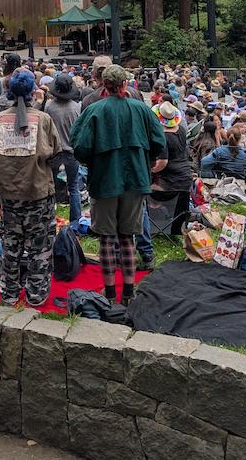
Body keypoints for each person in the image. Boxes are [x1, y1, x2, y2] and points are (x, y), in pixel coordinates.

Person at [72, 65, 167, 307]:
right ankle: (129, 290)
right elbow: (159, 141)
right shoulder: (142, 109)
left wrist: (91, 160)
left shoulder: (94, 110)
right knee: (127, 238)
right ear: (125, 84)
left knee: (106, 238)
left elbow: (80, 146)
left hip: (104, 181)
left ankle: (110, 292)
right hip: (136, 179)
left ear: (103, 84)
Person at [0, 70, 61, 308]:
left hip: (8, 194)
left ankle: (9, 292)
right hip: (38, 192)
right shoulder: (43, 119)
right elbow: (55, 151)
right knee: (39, 245)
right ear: (32, 93)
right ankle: (36, 293)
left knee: (11, 244)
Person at [44, 73, 82, 224]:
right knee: (73, 187)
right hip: (72, 151)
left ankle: (49, 218)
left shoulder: (49, 107)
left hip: (54, 152)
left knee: (50, 186)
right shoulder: (76, 107)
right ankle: (76, 221)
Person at [150, 101, 192, 236]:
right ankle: (175, 231)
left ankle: (151, 224)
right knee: (180, 207)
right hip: (185, 178)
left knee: (142, 188)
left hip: (169, 182)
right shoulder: (181, 130)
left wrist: (148, 171)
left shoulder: (163, 136)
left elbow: (162, 162)